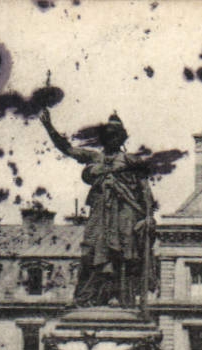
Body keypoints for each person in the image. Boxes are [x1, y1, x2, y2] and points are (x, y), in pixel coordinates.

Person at [38, 107, 156, 308]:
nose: (111, 139)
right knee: (91, 251)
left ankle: (120, 297)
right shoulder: (95, 158)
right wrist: (50, 128)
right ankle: (88, 297)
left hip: (125, 210)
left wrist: (148, 216)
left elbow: (145, 190)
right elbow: (68, 149)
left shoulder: (131, 160)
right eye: (108, 135)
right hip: (100, 210)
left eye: (115, 135)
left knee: (123, 253)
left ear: (122, 138)